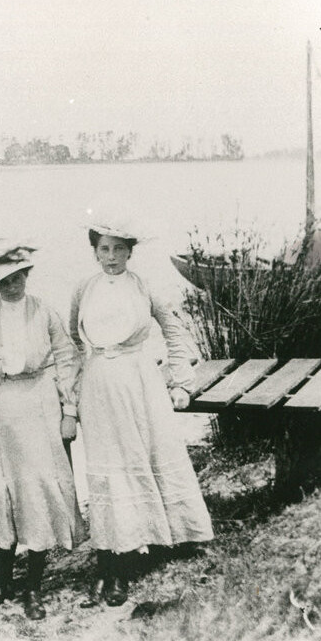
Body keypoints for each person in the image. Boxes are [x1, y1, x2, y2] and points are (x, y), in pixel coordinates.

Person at [70, 221, 214, 607]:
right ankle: (110, 561)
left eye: (119, 249)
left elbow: (175, 331)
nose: (112, 258)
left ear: (130, 251)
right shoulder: (84, 289)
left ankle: (152, 549)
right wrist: (71, 395)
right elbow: (71, 341)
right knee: (109, 469)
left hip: (140, 381)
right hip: (98, 385)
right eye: (104, 250)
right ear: (95, 251)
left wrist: (181, 382)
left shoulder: (143, 285)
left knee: (145, 457)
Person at [0, 240, 86, 621]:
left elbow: (68, 360)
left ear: (26, 274)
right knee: (4, 494)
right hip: (3, 410)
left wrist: (69, 411)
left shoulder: (44, 312)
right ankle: (4, 583)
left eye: (17, 276)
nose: (11, 284)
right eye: (2, 279)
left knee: (37, 493)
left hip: (39, 404)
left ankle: (34, 587)